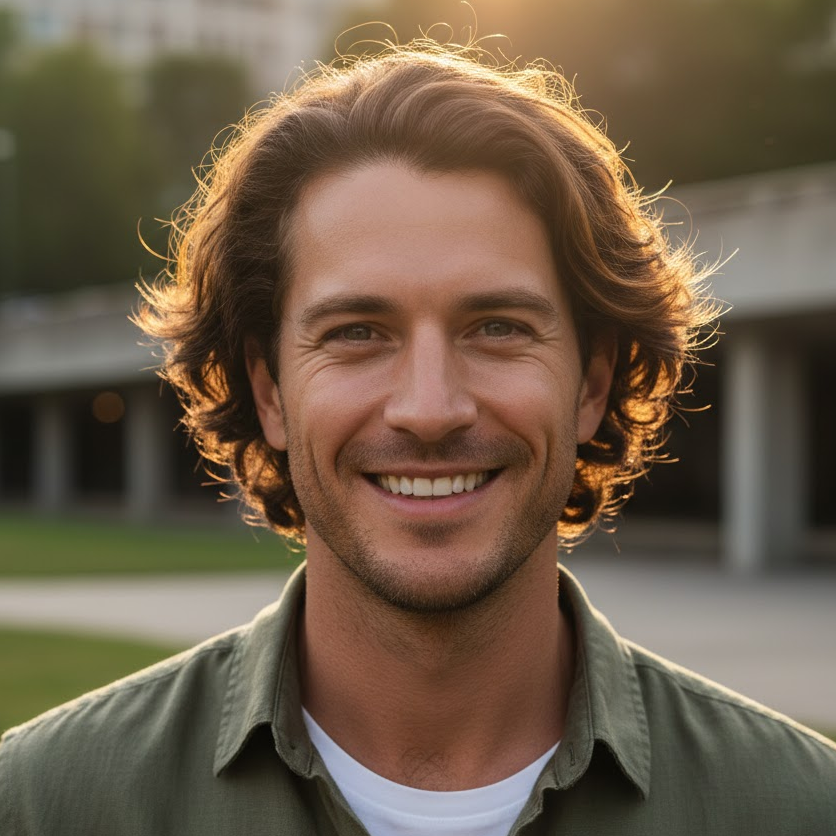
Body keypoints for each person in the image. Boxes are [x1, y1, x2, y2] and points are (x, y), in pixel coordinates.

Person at [1, 40, 834, 836]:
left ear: (591, 384)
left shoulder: (800, 811)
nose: (429, 410)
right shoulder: (42, 807)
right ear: (270, 391)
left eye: (498, 327)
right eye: (359, 332)